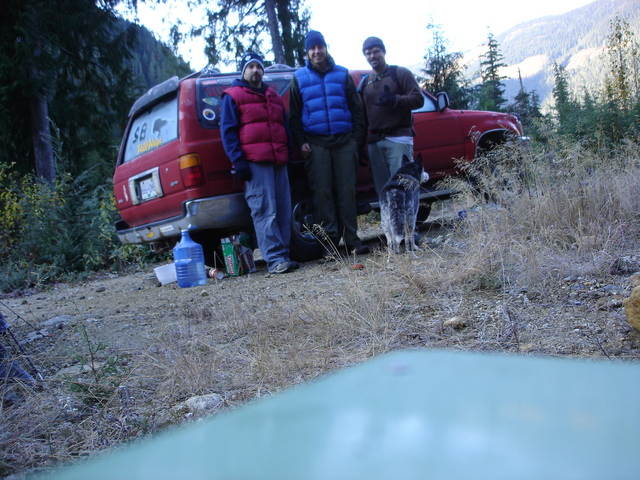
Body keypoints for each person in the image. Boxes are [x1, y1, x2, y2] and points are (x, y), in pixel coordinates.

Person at [289, 30, 369, 256]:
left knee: (346, 192)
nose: (317, 51)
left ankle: (352, 241)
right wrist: (301, 142)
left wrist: (356, 140)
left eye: (320, 47)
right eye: (312, 48)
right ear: (307, 52)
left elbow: (357, 110)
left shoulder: (342, 75)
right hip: (316, 145)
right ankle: (330, 245)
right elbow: (294, 116)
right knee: (322, 194)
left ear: (326, 48)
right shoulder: (299, 78)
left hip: (345, 142)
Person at [220, 52, 299, 274]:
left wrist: (289, 156)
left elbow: (284, 127)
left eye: (259, 67)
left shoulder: (273, 96)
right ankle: (274, 260)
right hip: (255, 163)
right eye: (251, 66)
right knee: (265, 211)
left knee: (283, 211)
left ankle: (284, 255)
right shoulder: (232, 96)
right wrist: (238, 161)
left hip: (279, 161)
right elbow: (228, 132)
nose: (255, 70)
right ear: (243, 71)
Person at [359, 36, 425, 197]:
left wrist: (396, 100)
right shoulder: (366, 82)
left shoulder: (400, 73)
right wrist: (360, 144)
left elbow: (419, 99)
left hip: (398, 139)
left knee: (404, 187)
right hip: (375, 143)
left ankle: (408, 222)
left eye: (376, 52)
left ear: (384, 52)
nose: (372, 56)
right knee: (383, 191)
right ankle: (389, 222)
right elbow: (362, 116)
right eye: (368, 53)